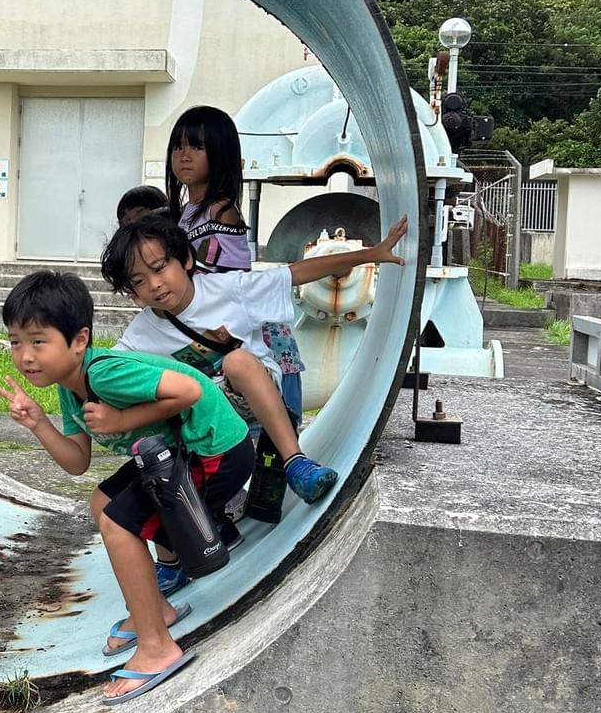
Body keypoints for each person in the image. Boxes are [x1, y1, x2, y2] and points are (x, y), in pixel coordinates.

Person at [0, 270, 255, 705]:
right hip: (176, 451)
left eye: (39, 341)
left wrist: (120, 421)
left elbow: (190, 390)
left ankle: (157, 648)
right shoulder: (68, 387)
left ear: (79, 340)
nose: (25, 355)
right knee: (102, 502)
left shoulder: (105, 373)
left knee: (119, 523)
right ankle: (157, 610)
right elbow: (77, 463)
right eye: (16, 341)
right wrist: (37, 422)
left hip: (214, 449)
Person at [100, 211, 408, 575]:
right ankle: (194, 538)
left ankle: (295, 462)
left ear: (184, 259)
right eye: (139, 280)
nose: (155, 284)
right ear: (131, 293)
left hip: (249, 393)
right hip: (205, 418)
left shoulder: (230, 290)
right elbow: (105, 369)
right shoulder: (140, 335)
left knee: (238, 362)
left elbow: (296, 273)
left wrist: (371, 254)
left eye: (160, 267)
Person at [165, 104, 306, 416]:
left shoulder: (220, 211)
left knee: (263, 423)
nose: (184, 155)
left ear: (220, 153)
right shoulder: (189, 212)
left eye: (197, 147)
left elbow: (228, 278)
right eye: (178, 146)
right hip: (223, 326)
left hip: (248, 331)